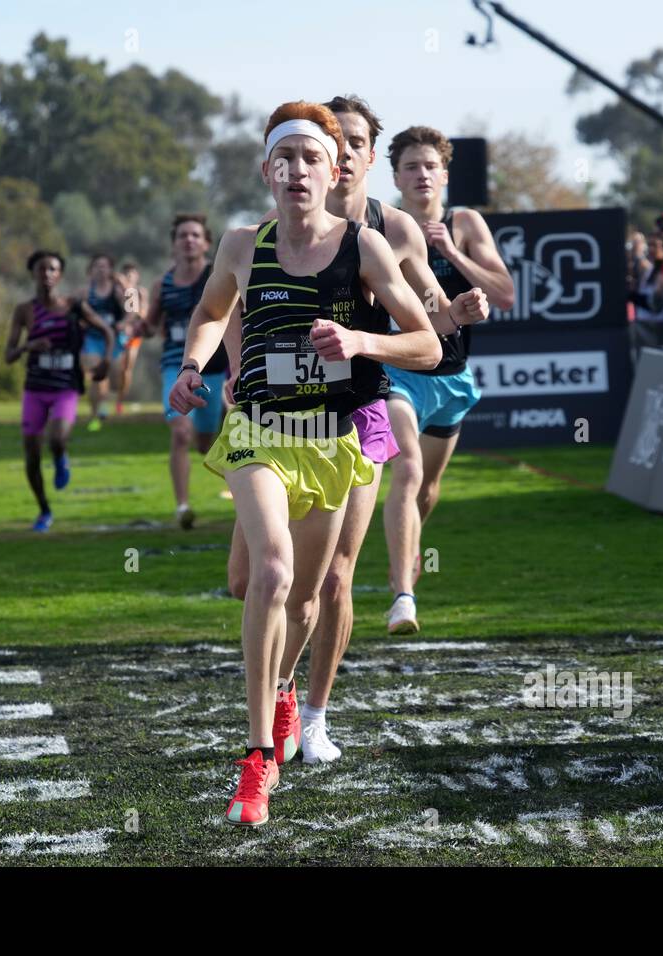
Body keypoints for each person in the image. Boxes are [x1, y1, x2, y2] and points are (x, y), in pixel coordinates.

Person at [168, 101, 443, 827]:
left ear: (333, 171)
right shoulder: (238, 245)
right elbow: (209, 313)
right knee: (272, 576)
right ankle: (258, 762)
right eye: (282, 159)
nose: (296, 171)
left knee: (301, 596)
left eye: (311, 159)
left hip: (331, 441)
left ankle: (287, 690)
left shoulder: (366, 248)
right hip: (259, 433)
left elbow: (427, 345)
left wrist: (361, 344)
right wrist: (195, 365)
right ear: (266, 171)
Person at [223, 95, 493, 764]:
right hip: (279, 413)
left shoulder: (391, 232)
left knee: (334, 576)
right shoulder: (272, 225)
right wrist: (236, 370)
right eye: (325, 144)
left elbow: (429, 327)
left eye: (351, 144)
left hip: (363, 406)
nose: (337, 156)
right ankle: (283, 687)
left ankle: (308, 713)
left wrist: (453, 311)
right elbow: (233, 304)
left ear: (370, 157)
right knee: (246, 580)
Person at [381, 124, 515, 635]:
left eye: (430, 166)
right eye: (411, 167)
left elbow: (504, 294)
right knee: (408, 470)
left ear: (444, 174)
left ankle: (409, 549)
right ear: (395, 176)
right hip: (400, 373)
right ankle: (403, 596)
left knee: (428, 489)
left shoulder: (464, 223)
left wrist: (454, 255)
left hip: (453, 378)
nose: (421, 175)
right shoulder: (385, 228)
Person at [5, 250, 112, 531]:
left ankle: (61, 457)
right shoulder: (24, 311)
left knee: (56, 438)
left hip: (65, 386)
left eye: (53, 269)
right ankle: (43, 510)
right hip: (35, 388)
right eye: (42, 269)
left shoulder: (73, 306)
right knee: (31, 452)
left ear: (60, 274)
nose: (47, 274)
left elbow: (107, 331)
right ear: (33, 273)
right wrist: (29, 346)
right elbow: (8, 355)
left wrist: (106, 362)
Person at [143, 214, 229, 530]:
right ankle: (182, 507)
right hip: (174, 365)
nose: (189, 240)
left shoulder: (218, 277)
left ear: (206, 243)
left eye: (195, 235)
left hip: (214, 368)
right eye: (182, 235)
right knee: (180, 433)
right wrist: (135, 323)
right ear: (174, 243)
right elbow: (150, 326)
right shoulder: (162, 284)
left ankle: (237, 483)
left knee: (205, 443)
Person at [79, 253, 138, 431]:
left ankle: (106, 401)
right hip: (93, 338)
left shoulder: (117, 290)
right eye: (97, 265)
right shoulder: (85, 291)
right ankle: (95, 412)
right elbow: (75, 310)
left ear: (111, 270)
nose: (101, 269)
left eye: (105, 266)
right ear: (91, 270)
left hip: (114, 339)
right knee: (97, 374)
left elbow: (132, 309)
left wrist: (124, 323)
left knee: (115, 375)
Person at [113, 262, 147, 416]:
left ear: (137, 276)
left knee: (126, 369)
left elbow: (144, 313)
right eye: (126, 274)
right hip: (116, 333)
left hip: (133, 335)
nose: (129, 276)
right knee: (112, 367)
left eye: (132, 274)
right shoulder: (116, 292)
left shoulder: (140, 292)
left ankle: (119, 402)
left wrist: (134, 316)